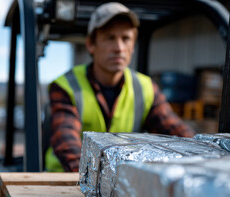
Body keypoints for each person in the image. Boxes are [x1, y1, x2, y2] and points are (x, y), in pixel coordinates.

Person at [45, 2, 196, 172]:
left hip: (118, 184)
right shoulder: (66, 86)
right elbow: (67, 144)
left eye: (126, 39)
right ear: (90, 44)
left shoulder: (145, 88)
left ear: (133, 46)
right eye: (110, 38)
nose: (119, 48)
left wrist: (200, 155)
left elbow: (176, 131)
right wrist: (95, 180)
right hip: (64, 182)